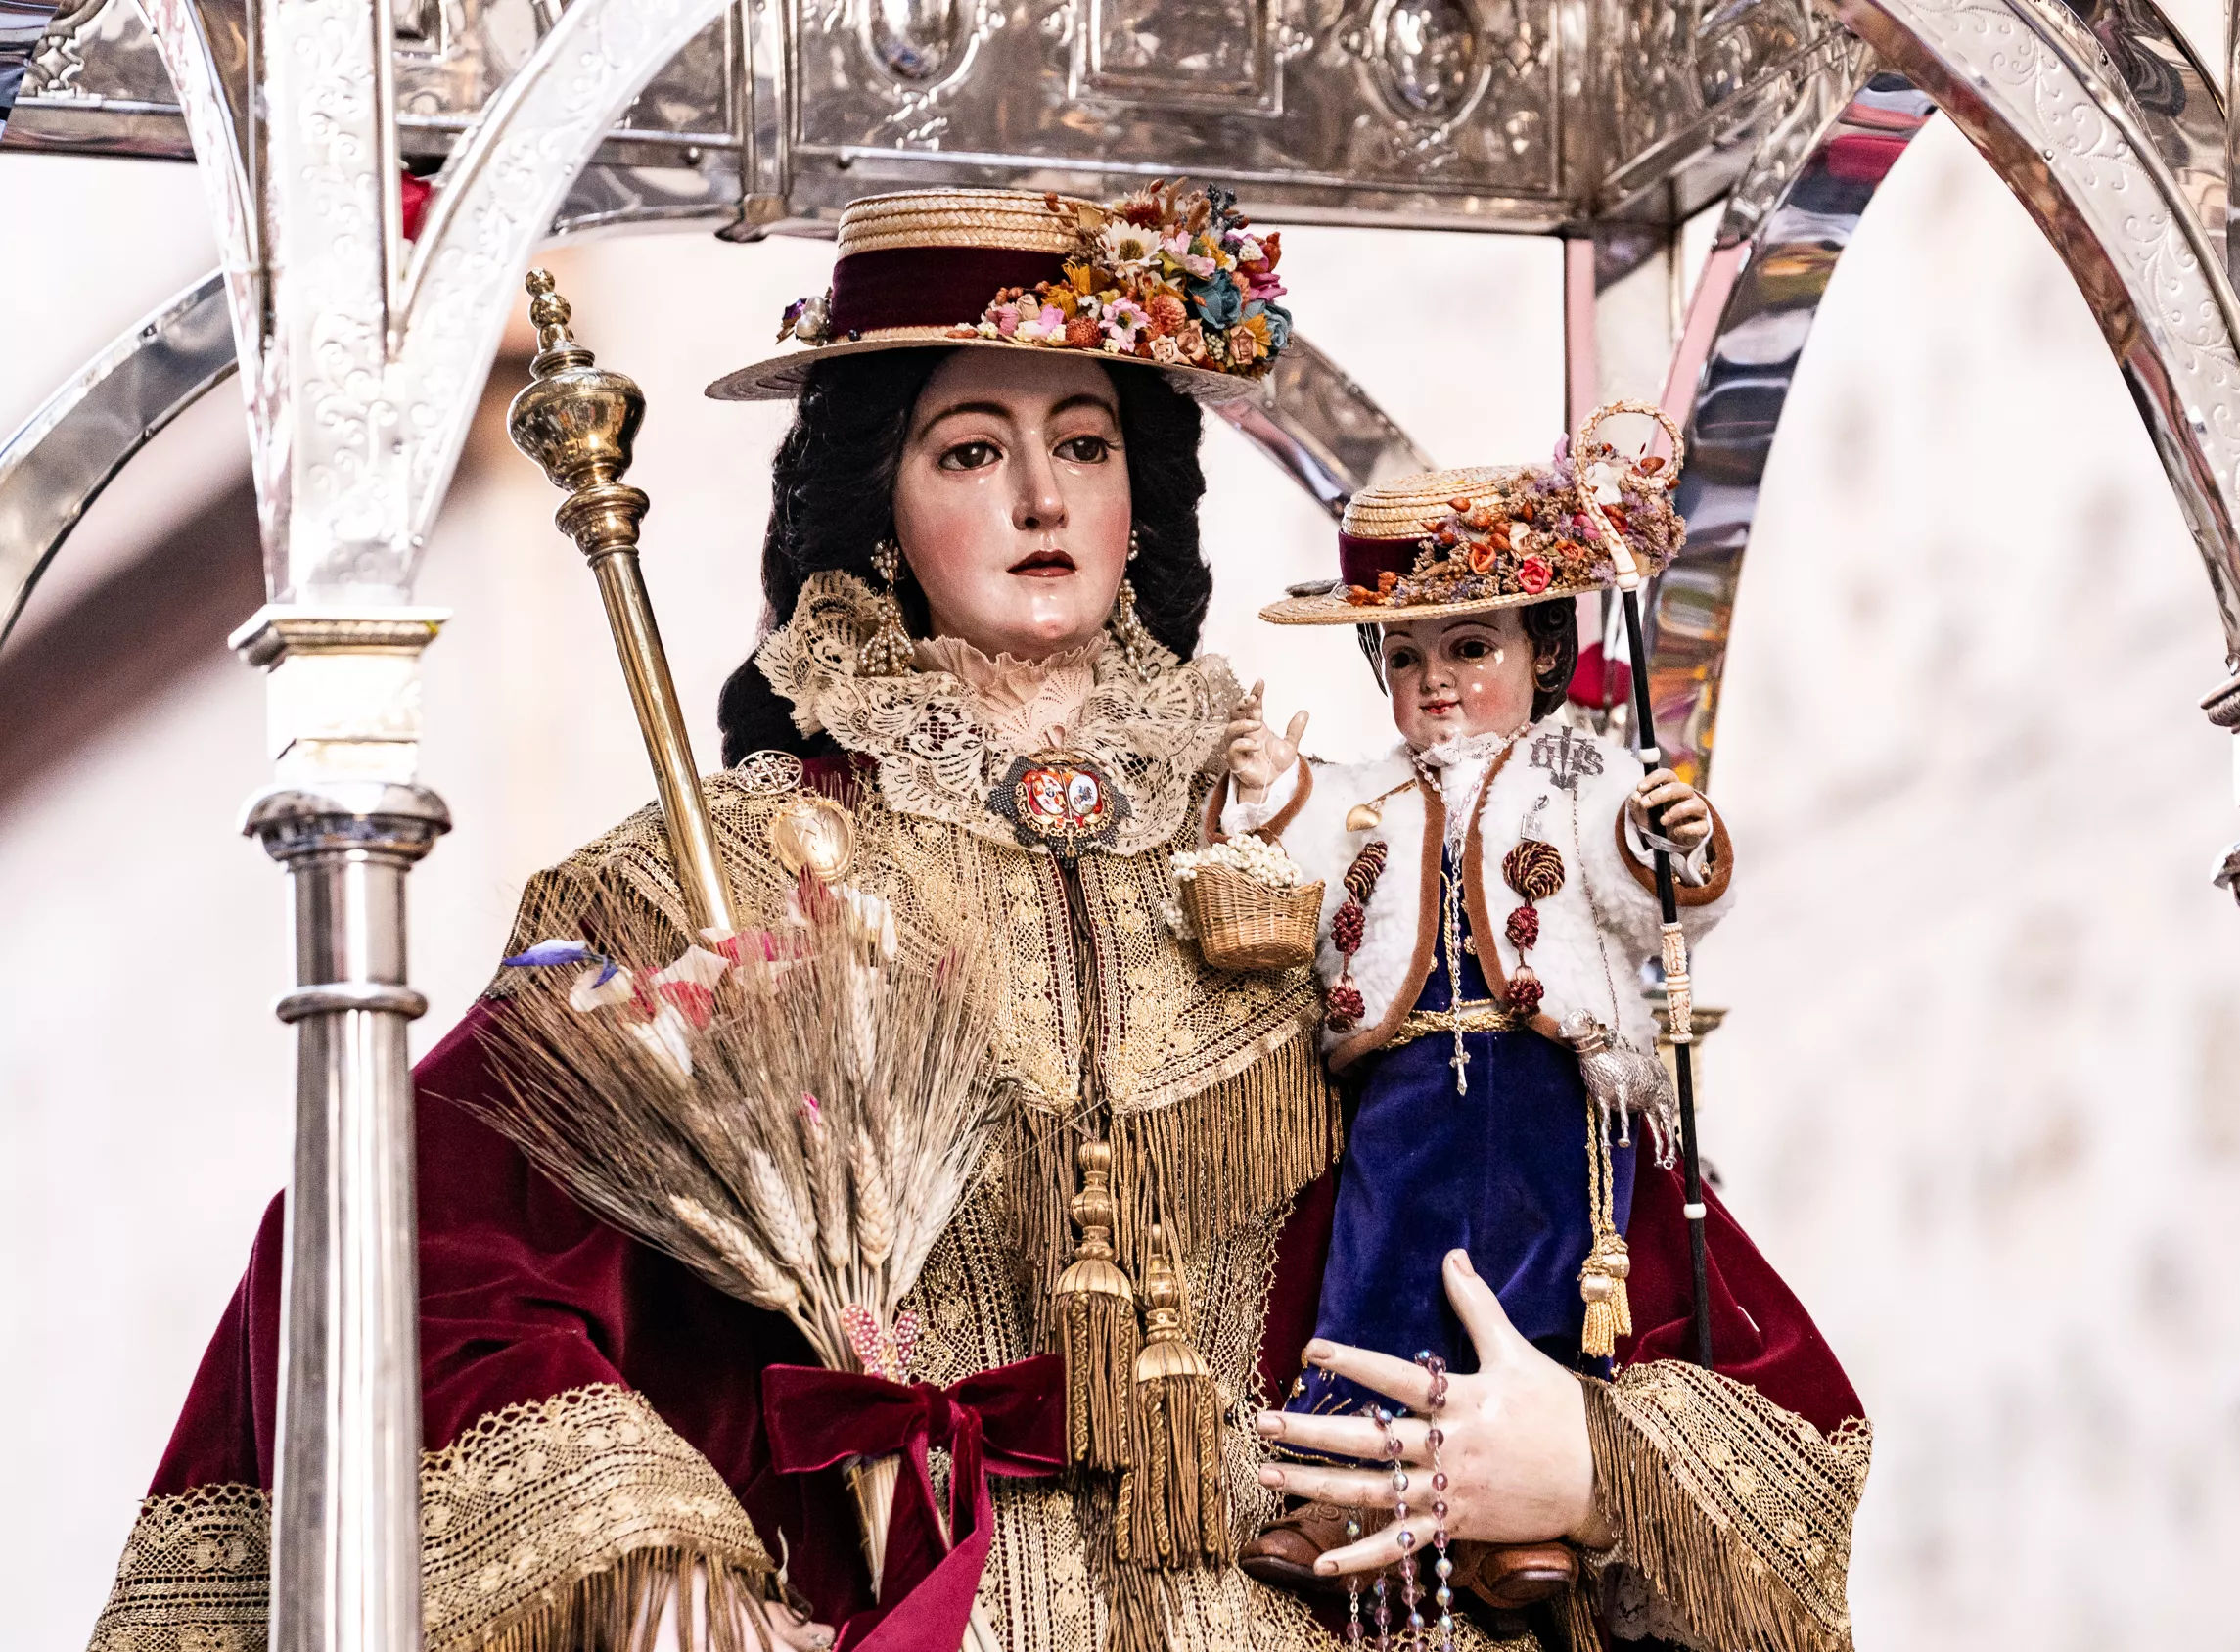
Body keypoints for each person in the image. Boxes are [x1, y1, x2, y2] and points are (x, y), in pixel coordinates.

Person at [87, 184, 1870, 1652]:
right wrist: (652, 1554)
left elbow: (1626, 1235)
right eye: (970, 446)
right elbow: (409, 1249)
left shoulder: (1339, 870)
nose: (1038, 498)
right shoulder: (721, 882)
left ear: (1137, 490)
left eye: (1082, 440)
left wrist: (1579, 1450)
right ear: (878, 503)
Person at [1212, 455, 1729, 1612]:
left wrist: (1677, 831)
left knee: (1532, 1274)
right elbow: (1301, 849)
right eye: (1406, 656)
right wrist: (1265, 781)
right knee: (1381, 1260)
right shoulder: (1371, 790)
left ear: (1543, 652)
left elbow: (1652, 878)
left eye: (1470, 648)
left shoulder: (1584, 771)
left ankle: (1517, 1518)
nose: (1436, 681)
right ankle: (1338, 1485)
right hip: (1406, 1072)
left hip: (1544, 1067)